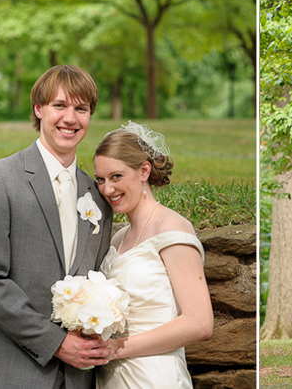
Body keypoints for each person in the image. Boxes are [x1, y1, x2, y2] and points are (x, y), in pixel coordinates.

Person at [0, 65, 115, 389]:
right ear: (38, 109)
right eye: (60, 106)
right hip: (2, 371)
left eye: (81, 109)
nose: (70, 118)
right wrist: (55, 342)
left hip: (74, 379)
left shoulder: (98, 199)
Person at [92, 123, 214, 389]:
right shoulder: (118, 237)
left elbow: (200, 323)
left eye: (116, 177)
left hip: (153, 376)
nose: (107, 189)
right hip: (110, 378)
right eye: (100, 179)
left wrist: (117, 349)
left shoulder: (172, 227)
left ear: (144, 171)